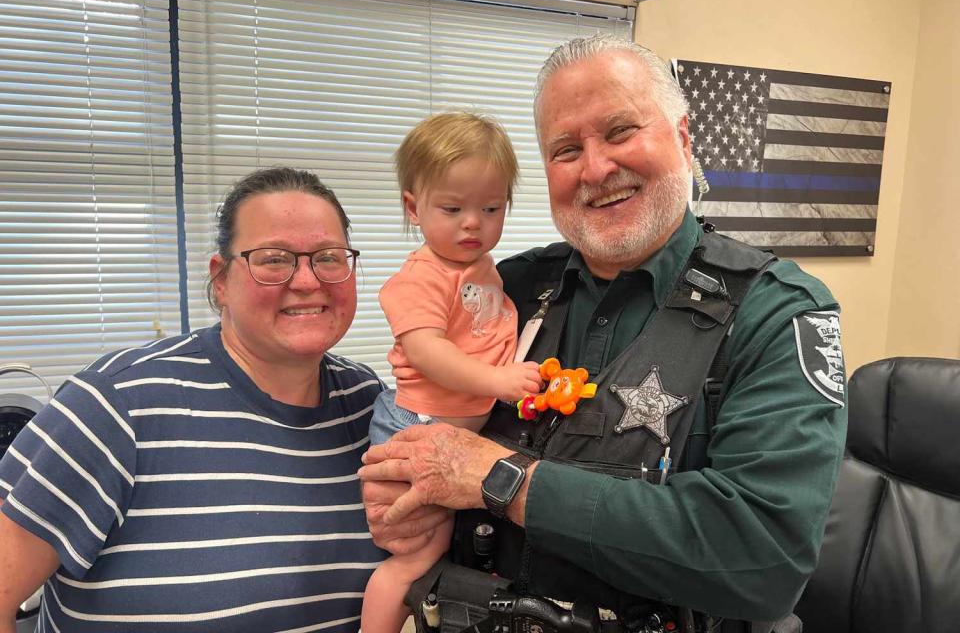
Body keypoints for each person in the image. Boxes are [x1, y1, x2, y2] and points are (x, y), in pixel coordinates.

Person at [358, 35, 848, 632]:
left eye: (619, 132)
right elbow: (423, 410)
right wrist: (397, 498)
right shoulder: (507, 289)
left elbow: (767, 560)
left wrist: (502, 479)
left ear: (683, 137)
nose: (595, 168)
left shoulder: (775, 312)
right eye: (566, 149)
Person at [0, 168, 432, 633]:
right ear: (221, 280)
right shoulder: (114, 404)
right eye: (273, 259)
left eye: (328, 258)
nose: (307, 281)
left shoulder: (369, 404)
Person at [361, 112, 542, 633]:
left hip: (456, 436)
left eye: (491, 208)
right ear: (413, 207)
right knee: (412, 560)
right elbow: (426, 351)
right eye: (453, 208)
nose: (473, 223)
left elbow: (488, 335)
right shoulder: (421, 276)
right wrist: (499, 382)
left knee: (442, 558)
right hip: (415, 426)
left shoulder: (485, 269)